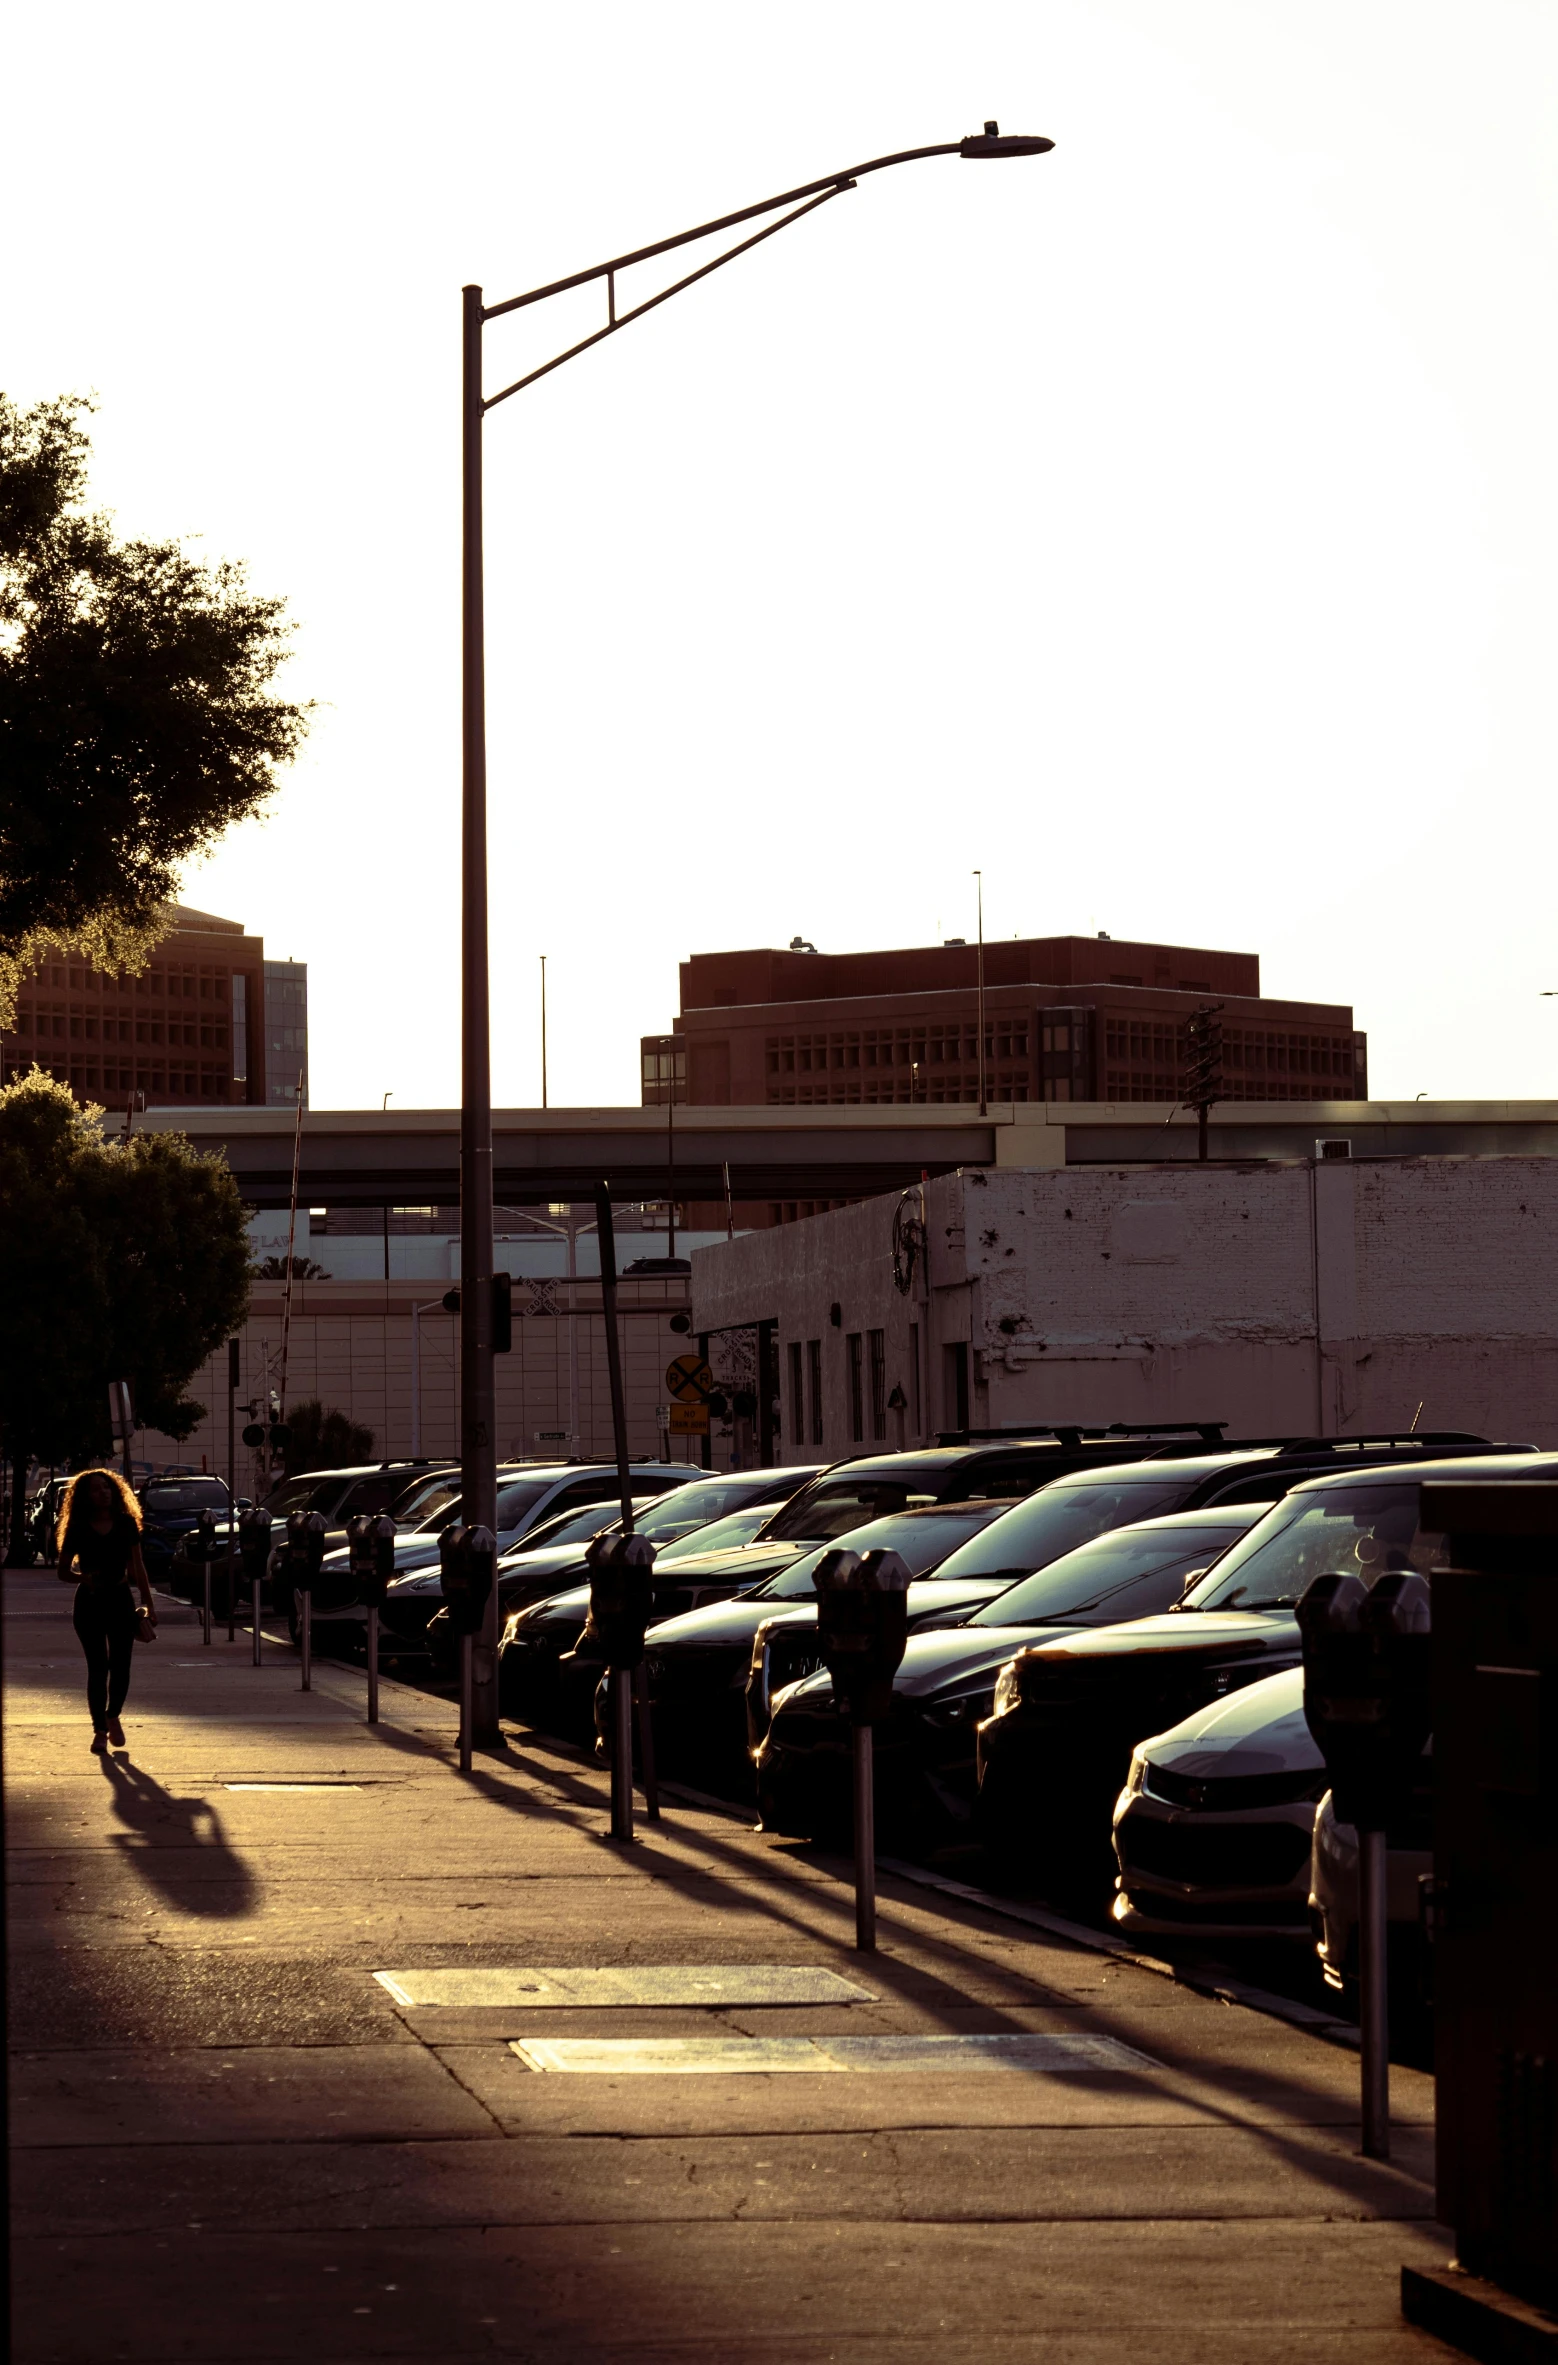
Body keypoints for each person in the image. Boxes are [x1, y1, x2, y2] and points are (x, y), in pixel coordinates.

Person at [57, 1468, 156, 1753]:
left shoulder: (125, 1524)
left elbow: (138, 1567)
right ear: (86, 1497)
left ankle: (113, 1715)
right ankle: (99, 1729)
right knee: (98, 1667)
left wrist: (149, 1604)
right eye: (96, 1489)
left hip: (120, 1600)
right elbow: (62, 1571)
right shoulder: (78, 1527)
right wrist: (82, 1577)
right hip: (89, 1602)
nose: (103, 1492)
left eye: (107, 1487)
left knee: (121, 1665)